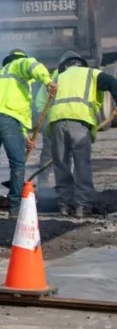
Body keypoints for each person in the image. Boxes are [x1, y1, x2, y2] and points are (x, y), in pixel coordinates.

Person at [0, 49, 57, 219]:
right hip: (7, 119)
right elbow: (31, 64)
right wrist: (48, 81)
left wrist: (25, 137)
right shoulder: (18, 64)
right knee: (17, 163)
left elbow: (16, 108)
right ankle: (15, 208)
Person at [46, 50, 117, 217]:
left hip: (56, 123)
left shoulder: (57, 77)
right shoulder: (91, 73)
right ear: (80, 62)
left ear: (64, 65)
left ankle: (64, 205)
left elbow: (44, 103)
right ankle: (82, 206)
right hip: (79, 121)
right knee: (81, 164)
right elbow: (113, 83)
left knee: (61, 164)